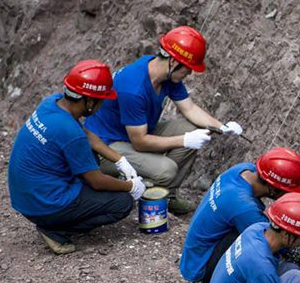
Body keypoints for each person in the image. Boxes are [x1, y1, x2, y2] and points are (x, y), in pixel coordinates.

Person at [84, 25, 243, 214]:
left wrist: (222, 126)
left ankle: (167, 195)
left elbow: (189, 108)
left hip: (131, 132)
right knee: (167, 170)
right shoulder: (133, 88)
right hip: (106, 147)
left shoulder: (164, 75)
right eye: (188, 68)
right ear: (174, 62)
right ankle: (149, 197)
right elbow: (140, 142)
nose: (190, 73)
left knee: (188, 126)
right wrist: (185, 140)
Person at [8, 60, 146, 254]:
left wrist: (119, 160)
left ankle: (60, 217)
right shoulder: (69, 132)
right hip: (44, 203)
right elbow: (97, 182)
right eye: (101, 100)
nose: (102, 105)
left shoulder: (52, 103)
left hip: (26, 197)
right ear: (89, 102)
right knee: (122, 204)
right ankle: (55, 229)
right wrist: (130, 186)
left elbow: (88, 136)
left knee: (92, 158)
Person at [179, 147, 300, 283]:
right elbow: (282, 241)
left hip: (195, 258)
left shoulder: (243, 170)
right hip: (203, 271)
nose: (287, 195)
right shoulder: (243, 207)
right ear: (274, 188)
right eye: (288, 192)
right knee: (266, 249)